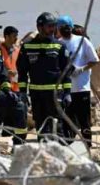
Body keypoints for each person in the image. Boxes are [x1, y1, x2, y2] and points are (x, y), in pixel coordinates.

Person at [17, 12, 72, 141]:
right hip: (37, 95)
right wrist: (23, 93)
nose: (53, 29)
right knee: (41, 128)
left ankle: (60, 156)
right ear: (40, 27)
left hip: (55, 94)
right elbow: (22, 72)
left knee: (57, 127)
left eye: (54, 26)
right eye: (49, 26)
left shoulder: (59, 46)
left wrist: (67, 92)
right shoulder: (27, 47)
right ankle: (44, 155)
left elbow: (66, 72)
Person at [57, 15, 99, 147]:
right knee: (67, 121)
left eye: (67, 27)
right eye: (62, 28)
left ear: (71, 27)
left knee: (84, 121)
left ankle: (88, 146)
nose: (65, 30)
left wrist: (81, 69)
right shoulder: (58, 43)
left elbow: (95, 60)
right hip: (66, 90)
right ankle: (67, 146)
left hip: (81, 88)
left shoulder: (82, 41)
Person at [0, 26, 20, 93]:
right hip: (2, 87)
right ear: (7, 37)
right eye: (14, 36)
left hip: (15, 87)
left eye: (16, 36)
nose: (16, 38)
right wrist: (6, 72)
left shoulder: (17, 50)